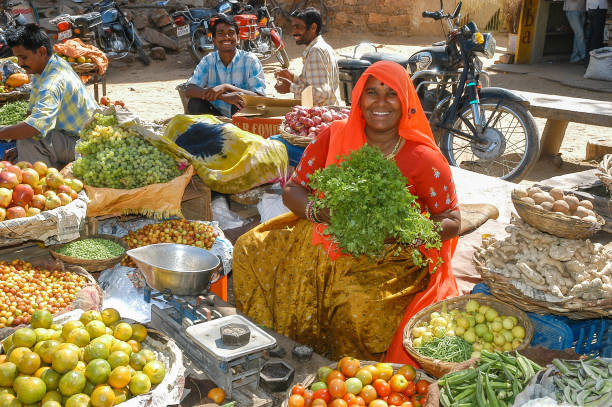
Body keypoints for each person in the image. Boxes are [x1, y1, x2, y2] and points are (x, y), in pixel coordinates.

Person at [234, 61, 461, 363]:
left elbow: (452, 220)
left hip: (391, 255)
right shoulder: (334, 135)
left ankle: (348, 370)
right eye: (371, 92)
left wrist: (400, 231)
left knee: (355, 304)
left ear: (406, 101)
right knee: (250, 248)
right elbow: (293, 189)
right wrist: (317, 210)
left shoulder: (424, 158)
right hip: (322, 233)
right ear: (358, 98)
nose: (381, 102)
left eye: (391, 93)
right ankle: (281, 346)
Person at [0, 24, 98, 168]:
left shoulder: (52, 83)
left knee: (28, 140)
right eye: (17, 58)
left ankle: (47, 183)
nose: (20, 63)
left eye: (23, 57)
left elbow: (35, 127)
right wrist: (18, 148)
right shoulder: (48, 66)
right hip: (68, 136)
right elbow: (32, 114)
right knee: (23, 143)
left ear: (41, 51)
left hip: (84, 144)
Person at [184, 14, 266, 118]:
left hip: (241, 118)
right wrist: (224, 97)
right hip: (215, 117)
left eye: (231, 33)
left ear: (238, 38)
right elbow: (190, 90)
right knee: (195, 103)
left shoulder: (250, 60)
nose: (226, 37)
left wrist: (227, 87)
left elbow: (260, 98)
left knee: (239, 101)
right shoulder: (208, 60)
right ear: (213, 40)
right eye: (221, 33)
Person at [274, 7, 340, 106]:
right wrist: (293, 78)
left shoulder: (315, 52)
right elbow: (313, 85)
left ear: (313, 27)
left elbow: (320, 94)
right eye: (293, 27)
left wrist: (291, 87)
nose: (293, 32)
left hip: (321, 116)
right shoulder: (321, 47)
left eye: (298, 27)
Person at [585, 0, 608, 65]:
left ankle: (588, 62)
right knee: (597, 37)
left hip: (591, 8)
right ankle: (595, 62)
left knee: (591, 36)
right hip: (599, 7)